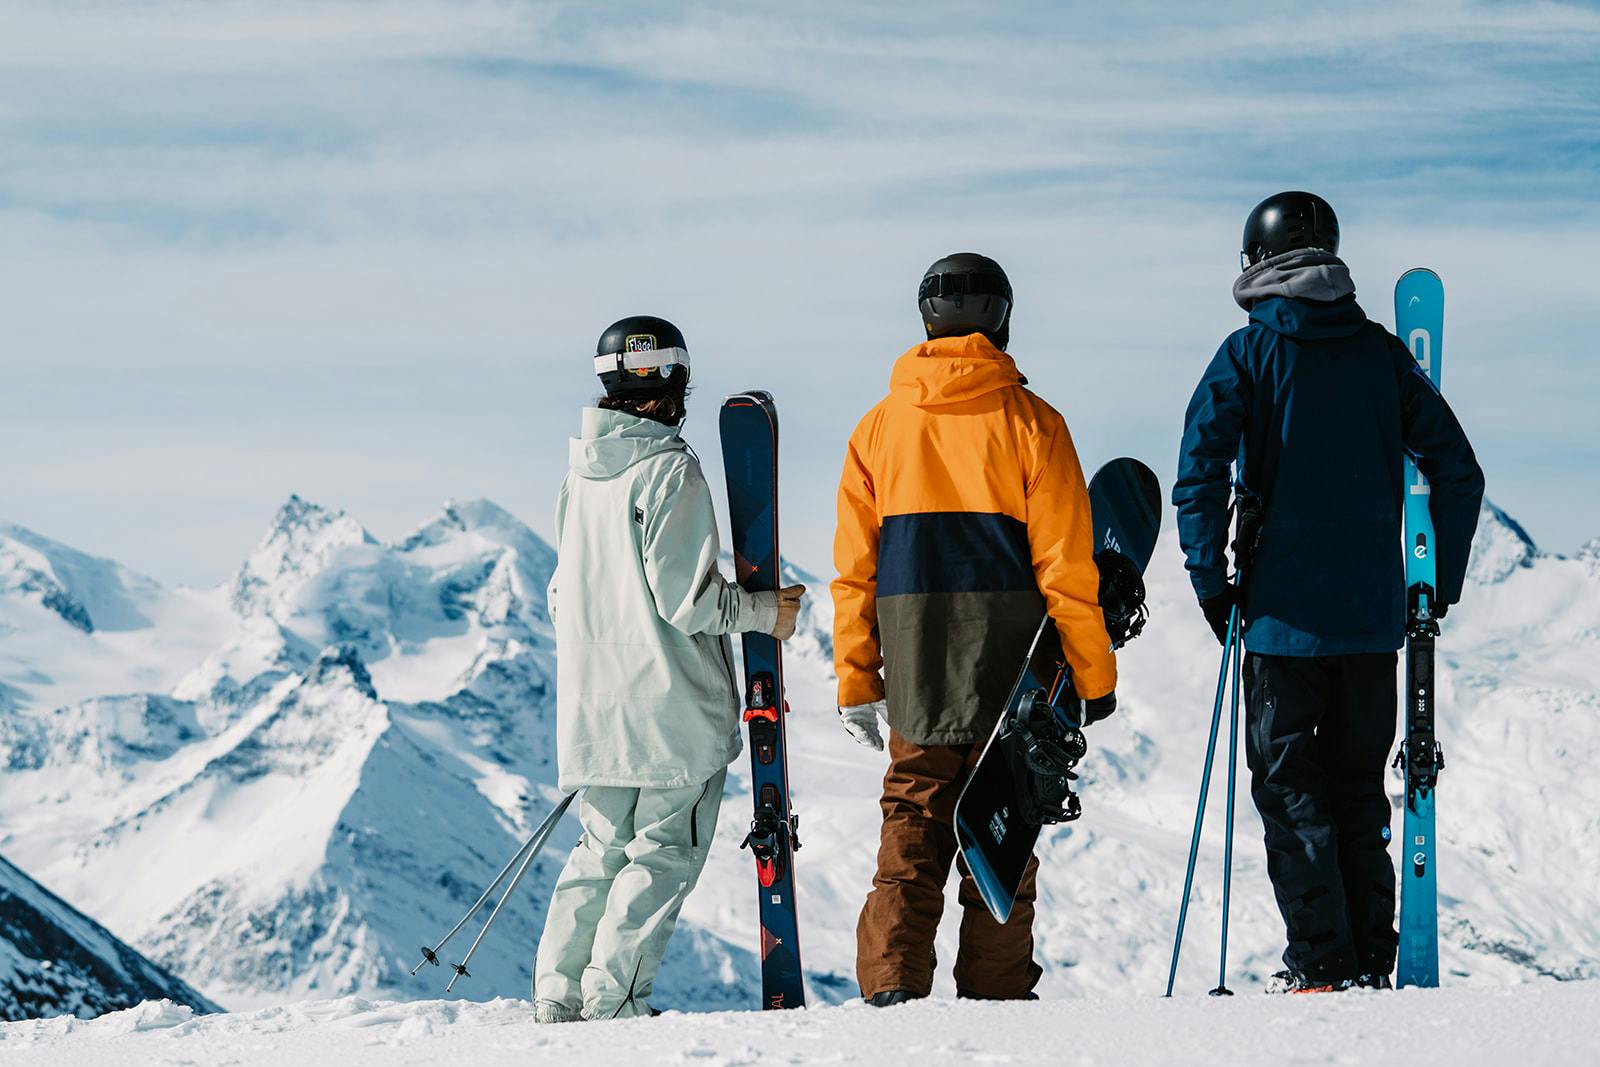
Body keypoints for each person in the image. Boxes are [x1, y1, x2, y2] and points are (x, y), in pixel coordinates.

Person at [1174, 192, 1484, 992]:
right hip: (1372, 619)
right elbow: (1458, 469)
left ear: (1255, 261)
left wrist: (1212, 582)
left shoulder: (1246, 355)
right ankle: (1368, 963)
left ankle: (1319, 964)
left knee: (1290, 790)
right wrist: (1433, 585)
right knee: (1357, 792)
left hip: (1280, 622)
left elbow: (1200, 473)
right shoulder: (1382, 355)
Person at [830, 254, 1118, 1005]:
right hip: (1010, 662)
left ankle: (891, 988)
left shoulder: (876, 430)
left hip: (916, 656)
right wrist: (1093, 676)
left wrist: (858, 678)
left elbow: (854, 572)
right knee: (1003, 833)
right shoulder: (1033, 422)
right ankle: (996, 1003)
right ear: (1001, 318)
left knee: (913, 818)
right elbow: (1067, 569)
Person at [533, 315, 804, 1022]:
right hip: (671, 713)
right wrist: (765, 612)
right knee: (658, 856)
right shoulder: (669, 469)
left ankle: (559, 999)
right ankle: (617, 1001)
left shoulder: (580, 477)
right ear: (677, 381)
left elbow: (562, 596)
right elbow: (686, 600)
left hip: (596, 712)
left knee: (600, 852)